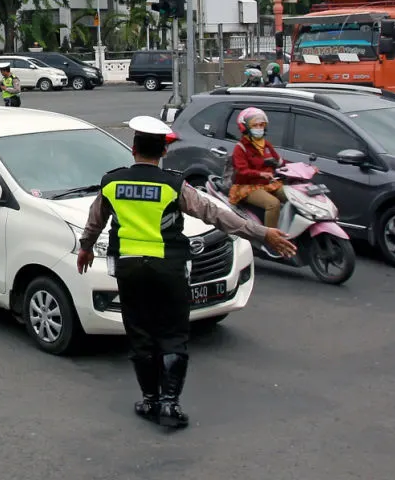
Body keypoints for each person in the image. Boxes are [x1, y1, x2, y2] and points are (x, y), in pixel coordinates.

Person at [77, 116, 295, 429]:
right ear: (161, 153)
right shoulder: (174, 185)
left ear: (134, 149)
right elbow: (217, 215)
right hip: (168, 269)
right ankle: (169, 404)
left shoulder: (112, 183)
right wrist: (263, 233)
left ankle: (149, 399)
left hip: (129, 268)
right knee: (172, 336)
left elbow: (94, 221)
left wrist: (85, 248)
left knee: (140, 336)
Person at [229, 107, 288, 229]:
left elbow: (279, 162)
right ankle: (271, 239)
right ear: (245, 128)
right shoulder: (240, 148)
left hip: (268, 183)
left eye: (261, 125)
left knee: (292, 196)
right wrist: (260, 174)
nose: (259, 128)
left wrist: (303, 168)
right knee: (273, 204)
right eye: (255, 125)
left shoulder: (266, 144)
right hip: (246, 186)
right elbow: (242, 171)